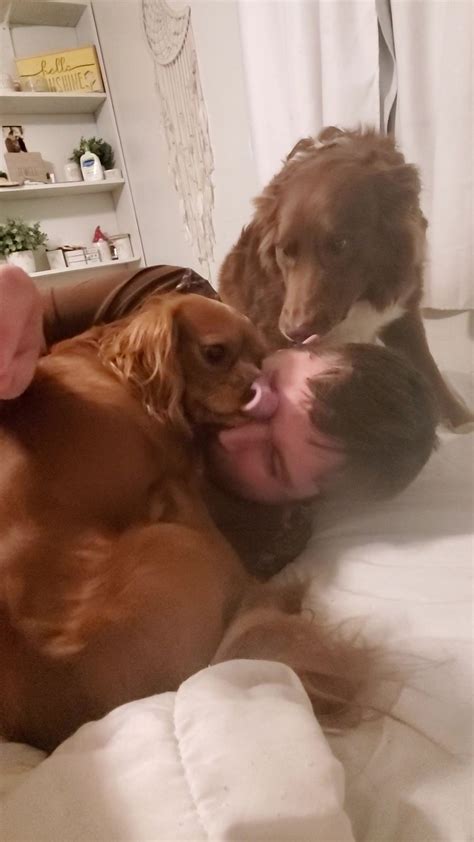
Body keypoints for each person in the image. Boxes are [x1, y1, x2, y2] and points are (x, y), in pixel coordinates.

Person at [0, 264, 438, 576]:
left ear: (303, 503)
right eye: (267, 389)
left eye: (273, 462)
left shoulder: (252, 541)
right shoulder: (176, 299)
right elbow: (39, 311)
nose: (233, 436)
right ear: (294, 347)